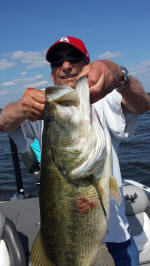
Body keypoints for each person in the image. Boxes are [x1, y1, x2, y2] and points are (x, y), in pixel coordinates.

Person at [0, 36, 150, 265]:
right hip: (66, 241)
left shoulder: (106, 95)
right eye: (57, 61)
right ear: (52, 74)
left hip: (117, 240)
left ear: (87, 63)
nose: (66, 65)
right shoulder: (46, 103)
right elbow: (3, 122)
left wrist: (121, 76)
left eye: (74, 58)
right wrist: (21, 108)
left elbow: (142, 104)